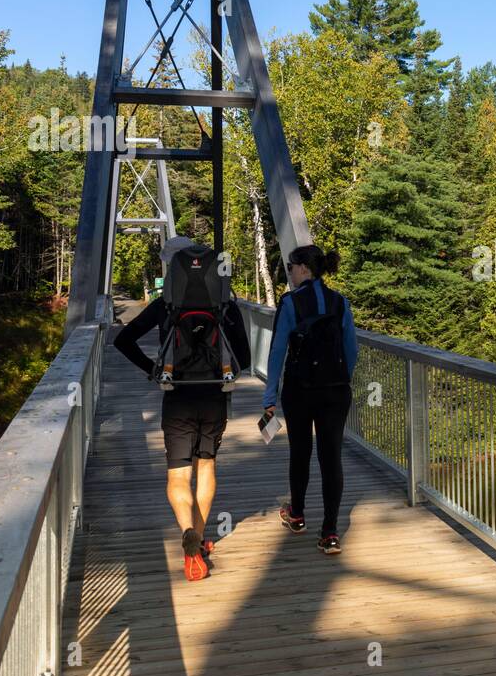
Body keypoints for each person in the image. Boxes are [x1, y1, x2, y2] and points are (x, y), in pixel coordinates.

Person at [113, 235, 252, 581]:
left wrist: (153, 370)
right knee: (206, 468)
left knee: (178, 475)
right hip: (214, 396)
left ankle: (187, 532)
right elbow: (245, 359)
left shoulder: (166, 307)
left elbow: (122, 340)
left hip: (176, 396)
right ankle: (201, 540)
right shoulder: (225, 306)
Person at [262, 244, 357, 554]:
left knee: (300, 452)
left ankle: (298, 515)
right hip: (336, 390)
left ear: (303, 268)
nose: (289, 273)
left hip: (300, 390)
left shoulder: (290, 303)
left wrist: (269, 396)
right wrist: (341, 379)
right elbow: (351, 350)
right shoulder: (340, 302)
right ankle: (330, 533)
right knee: (331, 458)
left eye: (290, 267)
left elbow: (277, 351)